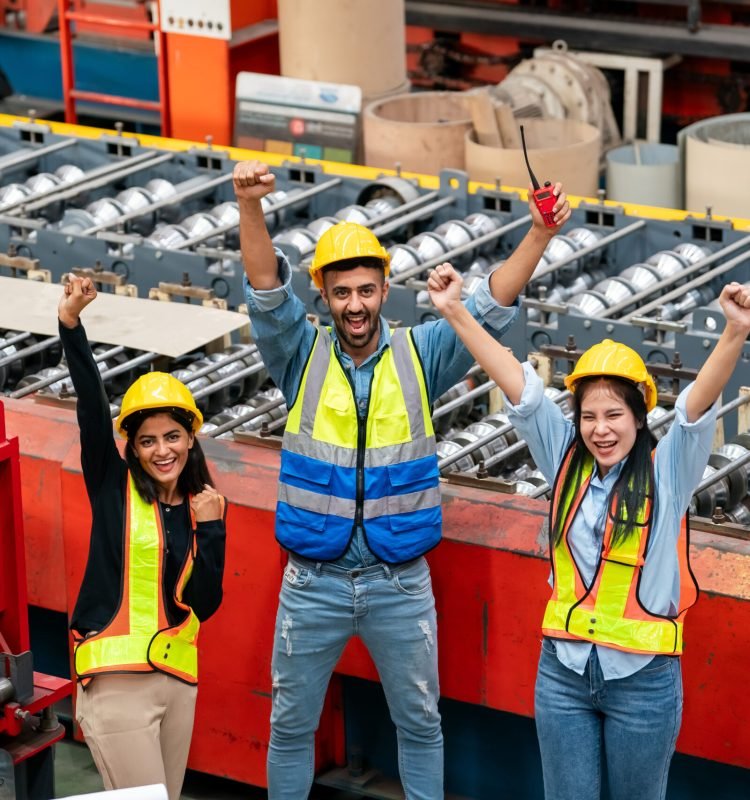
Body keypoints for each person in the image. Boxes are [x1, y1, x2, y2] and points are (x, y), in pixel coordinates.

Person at [233, 159, 571, 799]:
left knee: (420, 725)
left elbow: (490, 305)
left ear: (384, 290)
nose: (354, 304)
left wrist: (539, 234)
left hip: (399, 584)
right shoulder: (296, 354)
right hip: (313, 583)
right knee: (289, 725)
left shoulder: (423, 354)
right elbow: (265, 291)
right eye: (341, 292)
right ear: (325, 297)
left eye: (366, 289)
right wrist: (250, 206)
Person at [428, 262, 750, 800]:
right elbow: (521, 389)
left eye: (615, 415)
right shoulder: (564, 459)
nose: (600, 430)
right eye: (589, 416)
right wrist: (457, 312)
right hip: (564, 674)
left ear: (640, 416)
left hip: (643, 682)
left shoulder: (668, 469)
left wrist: (736, 331)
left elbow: (695, 410)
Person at [58, 275, 227, 800]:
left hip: (176, 683)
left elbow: (207, 603)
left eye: (172, 437)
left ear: (191, 436)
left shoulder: (205, 505)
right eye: (147, 440)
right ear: (130, 446)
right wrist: (70, 323)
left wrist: (214, 530)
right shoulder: (112, 486)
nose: (161, 451)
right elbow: (91, 406)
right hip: (115, 683)